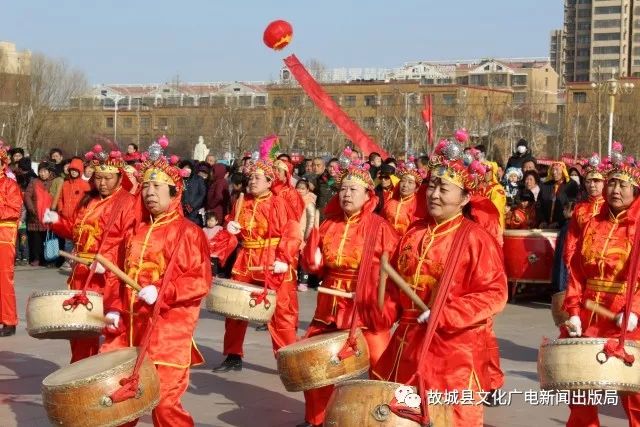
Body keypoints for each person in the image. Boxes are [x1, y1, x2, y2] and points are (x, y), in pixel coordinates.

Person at [373, 139, 508, 426]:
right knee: (399, 418)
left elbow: (494, 293)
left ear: (464, 198)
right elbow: (396, 290)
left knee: (450, 419)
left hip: (452, 351)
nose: (434, 194)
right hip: (406, 346)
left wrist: (443, 314)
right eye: (432, 185)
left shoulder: (475, 238)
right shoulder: (413, 233)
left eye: (443, 189)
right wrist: (381, 309)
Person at [101, 143, 211, 427]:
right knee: (119, 405)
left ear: (174, 193)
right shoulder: (134, 231)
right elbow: (116, 272)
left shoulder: (188, 232)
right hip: (130, 330)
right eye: (146, 187)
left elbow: (199, 279)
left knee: (163, 405)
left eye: (157, 188)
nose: (149, 193)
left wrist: (164, 290)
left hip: (167, 332)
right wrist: (113, 307)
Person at [298, 151, 399, 427]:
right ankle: (316, 419)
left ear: (369, 194)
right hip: (330, 303)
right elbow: (315, 266)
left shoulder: (380, 228)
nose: (346, 194)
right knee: (315, 362)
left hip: (365, 305)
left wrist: (372, 292)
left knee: (383, 365)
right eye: (342, 188)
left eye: (353, 189)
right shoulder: (329, 223)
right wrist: (312, 258)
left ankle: (388, 418)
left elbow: (394, 271)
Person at [561, 144, 640, 426]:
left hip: (627, 317)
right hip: (589, 314)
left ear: (635, 190)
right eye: (612, 183)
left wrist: (635, 311)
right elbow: (578, 272)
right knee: (580, 387)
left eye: (623, 184)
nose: (615, 190)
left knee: (634, 393)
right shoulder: (593, 222)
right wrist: (572, 311)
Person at [43, 146, 140, 362]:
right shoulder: (89, 200)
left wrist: (108, 261)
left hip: (107, 276)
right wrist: (57, 221)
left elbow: (130, 241)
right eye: (98, 178)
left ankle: (100, 380)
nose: (102, 183)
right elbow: (76, 232)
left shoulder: (128, 203)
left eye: (107, 178)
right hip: (81, 273)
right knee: (79, 330)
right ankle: (78, 373)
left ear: (119, 176)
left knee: (106, 330)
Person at [212, 158, 301, 372]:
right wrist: (229, 229)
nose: (252, 181)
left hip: (272, 259)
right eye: (250, 177)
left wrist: (284, 259)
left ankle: (287, 358)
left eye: (257, 178)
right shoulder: (241, 202)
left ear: (270, 181)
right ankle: (233, 355)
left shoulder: (279, 202)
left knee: (281, 312)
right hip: (246, 258)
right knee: (236, 308)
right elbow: (232, 235)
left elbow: (292, 232)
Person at [0, 142, 22, 337]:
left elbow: (14, 210)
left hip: (4, 237)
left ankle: (9, 320)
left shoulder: (10, 185)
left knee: (4, 279)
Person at [56, 157, 92, 271]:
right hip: (66, 217)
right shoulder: (65, 184)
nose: (73, 172)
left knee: (78, 240)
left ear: (80, 171)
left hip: (79, 218)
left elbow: (88, 201)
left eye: (76, 170)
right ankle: (68, 262)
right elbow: (60, 198)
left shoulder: (85, 185)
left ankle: (77, 261)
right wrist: (61, 209)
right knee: (68, 241)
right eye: (72, 170)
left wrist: (83, 213)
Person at [24, 161, 56, 266]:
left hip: (48, 214)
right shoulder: (33, 182)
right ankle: (36, 258)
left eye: (45, 171)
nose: (42, 174)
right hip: (35, 215)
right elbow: (27, 196)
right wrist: (31, 209)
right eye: (40, 171)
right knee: (35, 240)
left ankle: (47, 258)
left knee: (47, 238)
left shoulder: (54, 183)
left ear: (49, 172)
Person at [382, 160, 424, 235]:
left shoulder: (418, 207)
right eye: (403, 181)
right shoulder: (390, 202)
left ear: (416, 187)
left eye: (410, 182)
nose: (405, 185)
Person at [538, 162, 579, 229]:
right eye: (552, 170)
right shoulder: (545, 185)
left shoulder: (572, 185)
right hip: (545, 226)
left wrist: (559, 223)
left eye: (557, 170)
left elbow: (571, 207)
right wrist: (542, 221)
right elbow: (539, 204)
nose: (554, 172)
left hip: (564, 226)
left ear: (563, 171)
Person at [295, 178, 316, 292]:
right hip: (295, 233)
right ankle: (294, 279)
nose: (300, 190)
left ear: (308, 190)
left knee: (303, 259)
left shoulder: (309, 202)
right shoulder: (294, 200)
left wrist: (307, 236)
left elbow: (311, 220)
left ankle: (303, 282)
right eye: (298, 188)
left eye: (302, 188)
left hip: (304, 234)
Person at [178, 160, 207, 226]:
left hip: (194, 212)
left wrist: (193, 206)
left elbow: (202, 194)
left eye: (188, 168)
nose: (186, 170)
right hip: (182, 210)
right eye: (184, 168)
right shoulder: (179, 179)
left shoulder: (198, 179)